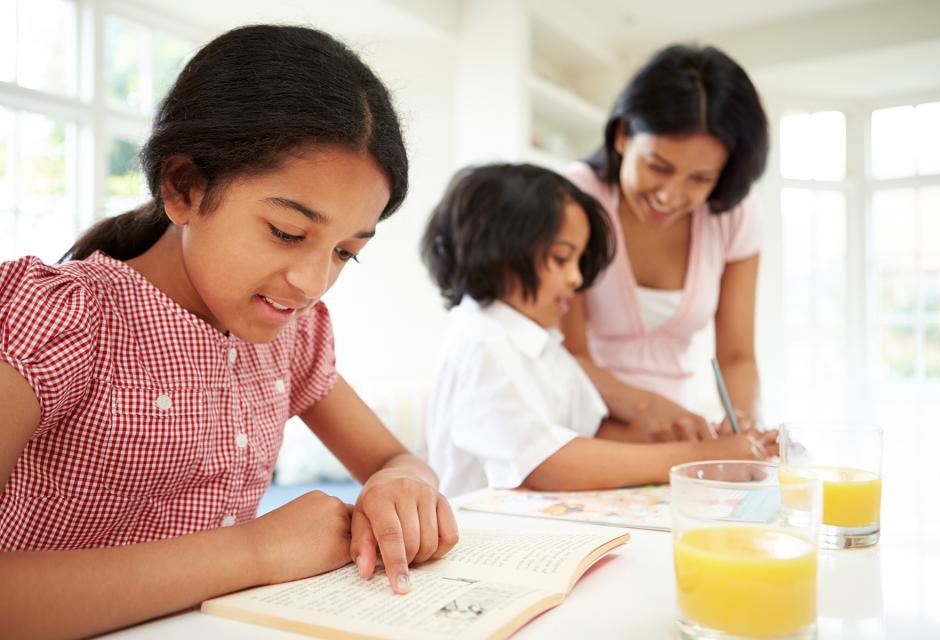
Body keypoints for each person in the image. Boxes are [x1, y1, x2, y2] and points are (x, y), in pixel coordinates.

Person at [0, 25, 458, 638]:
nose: (312, 281)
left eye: (346, 252)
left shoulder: (292, 337)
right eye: (288, 233)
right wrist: (255, 551)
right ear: (184, 186)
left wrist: (403, 483)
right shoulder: (63, 319)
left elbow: (395, 458)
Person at [421, 163, 776, 497]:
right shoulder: (482, 341)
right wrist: (697, 459)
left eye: (577, 261)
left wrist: (706, 441)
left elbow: (594, 434)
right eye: (562, 259)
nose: (577, 280)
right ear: (499, 252)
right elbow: (547, 464)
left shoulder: (544, 346)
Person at [562, 44, 770, 442]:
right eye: (658, 166)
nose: (671, 195)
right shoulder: (574, 200)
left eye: (701, 178)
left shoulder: (733, 214)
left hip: (672, 436)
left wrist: (742, 420)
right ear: (623, 135)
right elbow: (571, 354)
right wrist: (647, 408)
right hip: (583, 431)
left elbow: (738, 357)